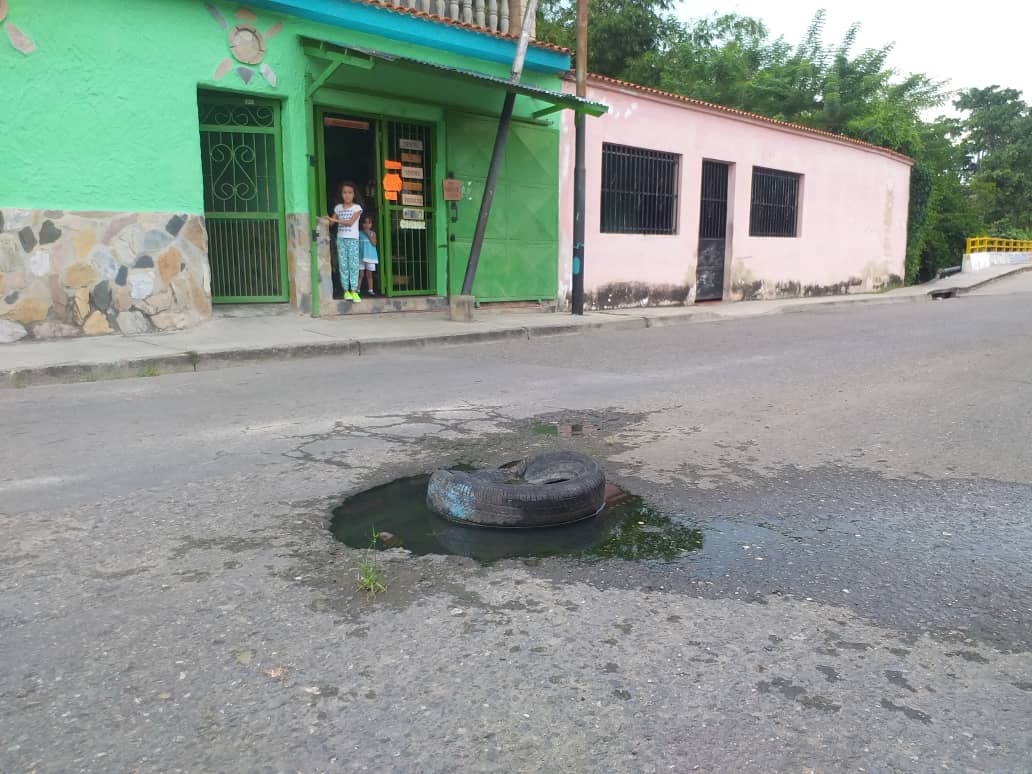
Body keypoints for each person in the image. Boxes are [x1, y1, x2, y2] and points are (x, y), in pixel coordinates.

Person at [330, 182, 363, 302]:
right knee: (343, 266)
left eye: (350, 192)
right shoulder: (338, 208)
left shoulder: (357, 208)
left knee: (353, 265)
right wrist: (327, 219)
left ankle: (354, 291)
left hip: (353, 239)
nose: (347, 195)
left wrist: (334, 219)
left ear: (354, 194)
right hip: (341, 239)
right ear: (341, 194)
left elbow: (350, 222)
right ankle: (346, 291)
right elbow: (331, 223)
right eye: (344, 192)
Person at [358, 215, 379, 296]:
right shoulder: (359, 233)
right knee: (361, 274)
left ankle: (370, 290)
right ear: (362, 224)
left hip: (370, 256)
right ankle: (357, 290)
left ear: (371, 224)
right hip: (361, 256)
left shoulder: (373, 233)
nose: (367, 225)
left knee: (369, 274)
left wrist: (368, 234)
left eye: (369, 223)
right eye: (365, 223)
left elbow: (374, 243)